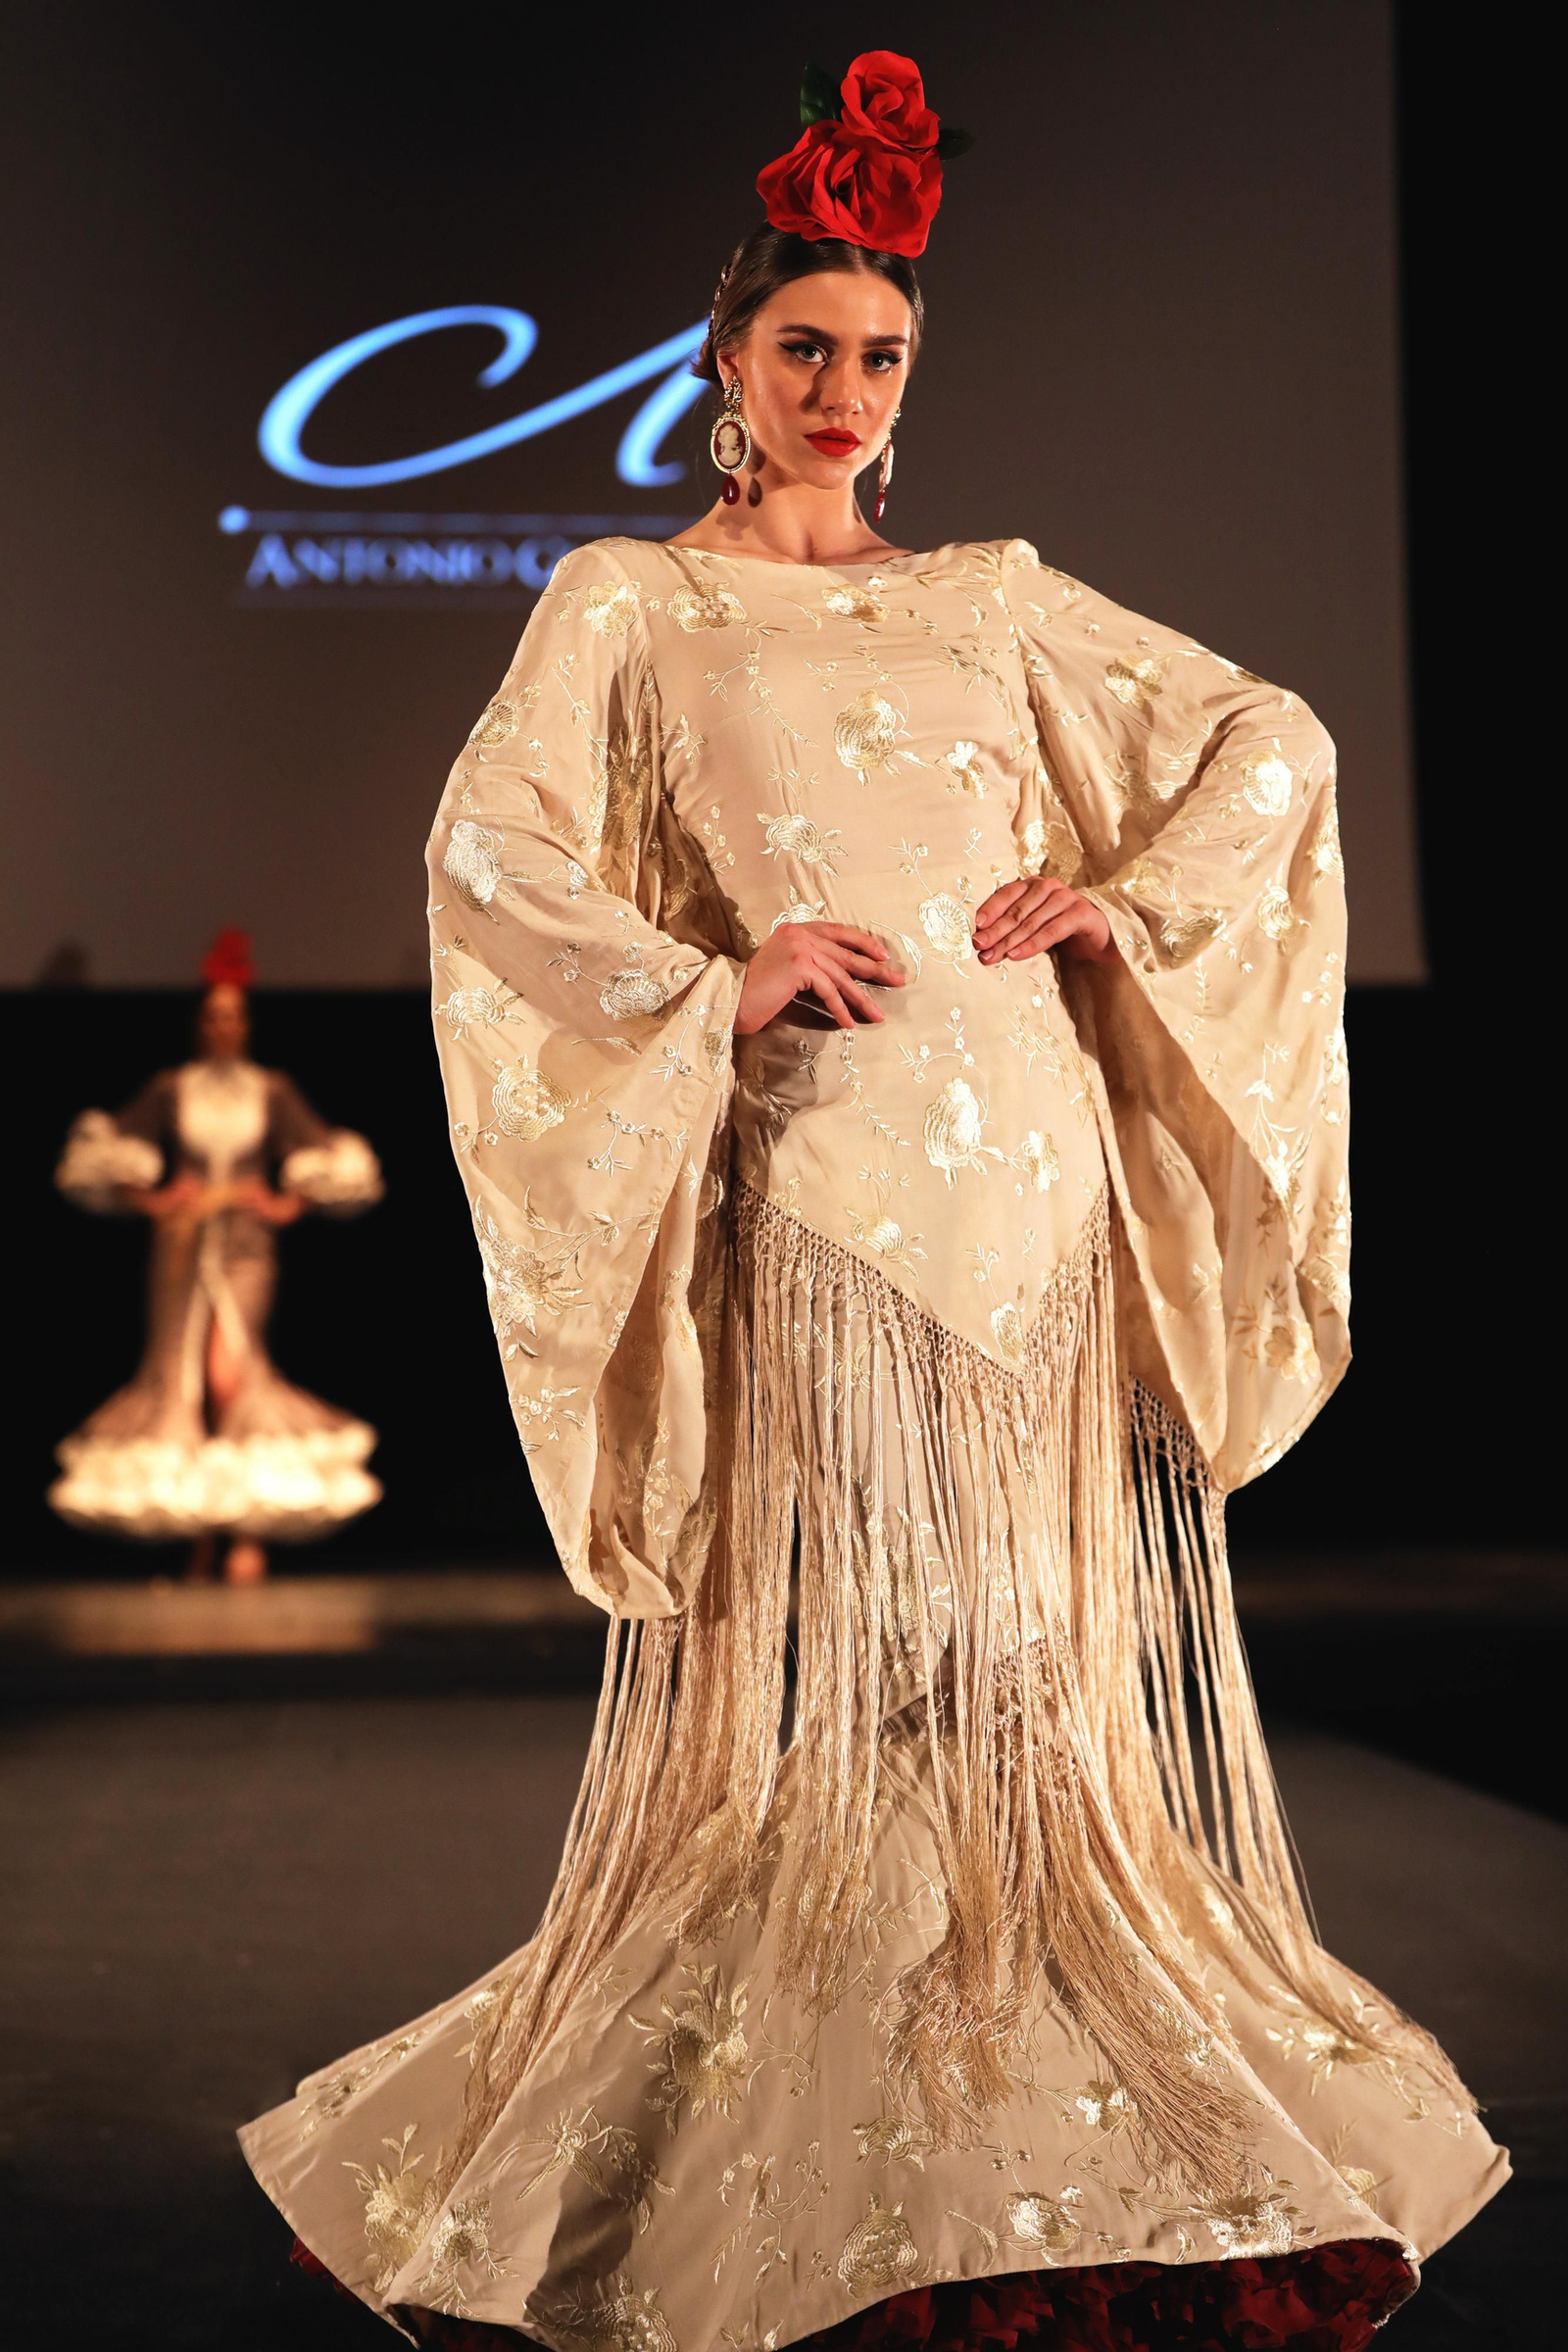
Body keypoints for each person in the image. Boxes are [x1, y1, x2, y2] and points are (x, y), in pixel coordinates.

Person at [241, 54, 1505, 2349]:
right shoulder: (630, 599)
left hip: (1028, 1175)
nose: (843, 392)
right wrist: (709, 980)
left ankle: (1039, 2090)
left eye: (882, 356)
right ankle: (839, 2129)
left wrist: (1126, 900)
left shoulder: (986, 597)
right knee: (856, 1671)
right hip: (820, 1186)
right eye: (804, 348)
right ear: (722, 365)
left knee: (1024, 1668)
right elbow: (490, 849)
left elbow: (1275, 737)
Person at [51, 928, 382, 1582]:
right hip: (180, 1248)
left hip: (247, 1249)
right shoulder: (173, 1088)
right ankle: (208, 1532)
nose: (224, 1026)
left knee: (231, 1372)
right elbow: (104, 1151)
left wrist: (285, 1203)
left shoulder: (270, 1089)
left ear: (246, 1024)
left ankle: (243, 1528)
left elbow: (328, 1157)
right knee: (185, 1380)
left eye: (234, 1016)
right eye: (213, 1016)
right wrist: (155, 1198)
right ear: (200, 1024)